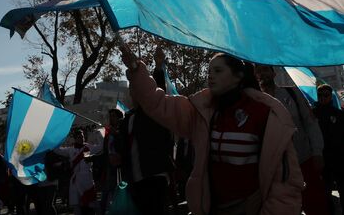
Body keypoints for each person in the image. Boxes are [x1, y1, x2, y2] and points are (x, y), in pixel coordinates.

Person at [120, 45, 303, 215]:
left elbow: (286, 183)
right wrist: (136, 69)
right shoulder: (202, 112)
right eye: (209, 71)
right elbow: (158, 103)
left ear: (238, 75)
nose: (210, 76)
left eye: (218, 70)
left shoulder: (266, 114)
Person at [254, 65, 327, 215]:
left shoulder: (292, 93)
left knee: (316, 205)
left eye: (265, 69)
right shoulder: (255, 102)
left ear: (273, 73)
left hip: (304, 160)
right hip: (275, 170)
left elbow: (310, 123)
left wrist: (317, 152)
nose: (262, 74)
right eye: (258, 71)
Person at [116, 50, 175, 215]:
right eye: (132, 88)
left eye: (137, 87)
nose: (134, 92)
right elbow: (125, 147)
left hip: (155, 174)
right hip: (135, 178)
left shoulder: (153, 112)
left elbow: (157, 90)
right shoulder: (127, 119)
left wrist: (157, 66)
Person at [313, 84, 344, 215]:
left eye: (325, 95)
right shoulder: (312, 114)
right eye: (319, 95)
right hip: (322, 159)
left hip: (340, 159)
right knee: (325, 192)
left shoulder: (340, 114)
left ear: (331, 96)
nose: (322, 98)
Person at [54, 129, 103, 215]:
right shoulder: (70, 150)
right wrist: (57, 138)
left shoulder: (88, 147)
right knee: (77, 206)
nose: (82, 138)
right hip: (76, 181)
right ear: (75, 138)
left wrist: (98, 134)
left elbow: (101, 146)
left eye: (83, 136)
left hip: (87, 180)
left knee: (91, 204)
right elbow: (57, 150)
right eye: (79, 137)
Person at [99, 109, 124, 214]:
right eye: (110, 116)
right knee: (105, 192)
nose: (111, 119)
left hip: (120, 167)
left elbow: (124, 146)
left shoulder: (123, 130)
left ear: (119, 118)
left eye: (113, 116)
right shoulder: (108, 133)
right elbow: (105, 150)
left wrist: (117, 135)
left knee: (117, 191)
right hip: (109, 166)